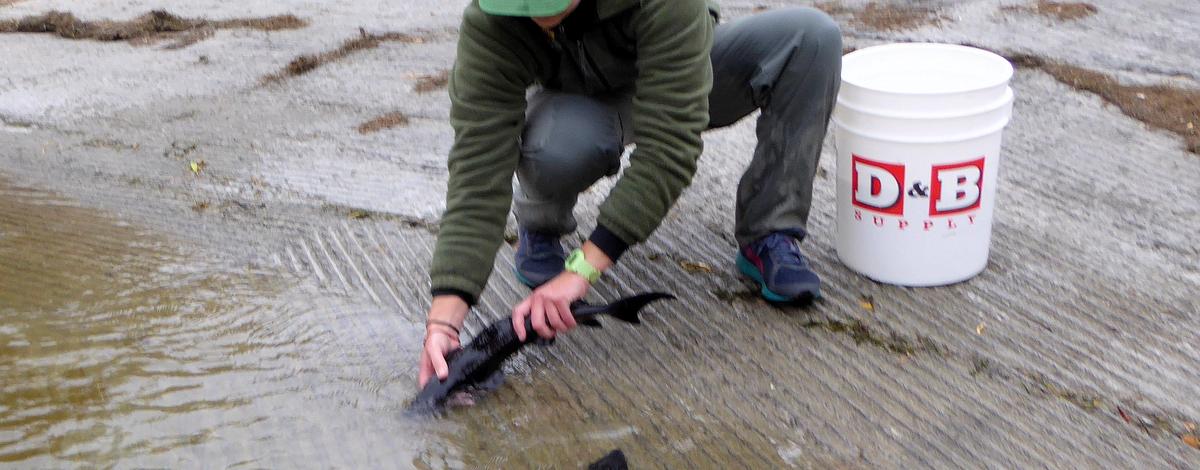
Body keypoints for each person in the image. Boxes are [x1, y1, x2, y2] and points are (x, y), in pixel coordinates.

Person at [418, 0, 842, 387]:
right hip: (576, 105)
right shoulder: (491, 22)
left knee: (812, 38)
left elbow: (670, 147)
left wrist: (582, 270)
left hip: (673, 73)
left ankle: (769, 233)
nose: (532, 8)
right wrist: (445, 319)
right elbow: (477, 170)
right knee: (553, 148)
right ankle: (541, 226)